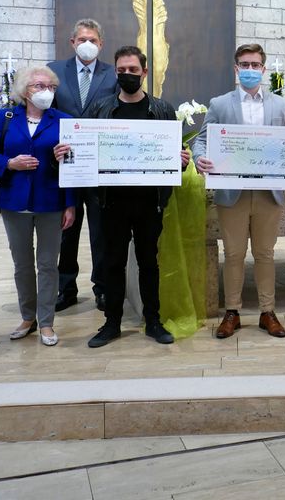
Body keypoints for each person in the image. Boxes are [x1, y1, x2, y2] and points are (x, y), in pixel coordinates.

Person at [83, 46, 190, 348]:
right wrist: (68, 153)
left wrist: (179, 160)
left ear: (144, 73)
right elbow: (85, 150)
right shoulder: (100, 109)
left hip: (149, 201)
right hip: (111, 201)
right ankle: (112, 323)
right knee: (113, 263)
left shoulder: (162, 109)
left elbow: (174, 156)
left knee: (149, 263)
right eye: (121, 71)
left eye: (133, 70)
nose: (127, 75)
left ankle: (152, 321)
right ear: (115, 72)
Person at [192, 44, 285, 339]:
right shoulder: (220, 103)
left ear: (263, 69)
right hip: (231, 191)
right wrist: (200, 158)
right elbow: (201, 140)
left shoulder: (280, 105)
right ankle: (232, 312)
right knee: (234, 253)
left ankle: (267, 311)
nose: (250, 69)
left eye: (255, 64)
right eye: (244, 64)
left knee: (265, 254)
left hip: (268, 191)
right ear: (236, 68)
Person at [0, 66, 76, 347]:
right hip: (14, 201)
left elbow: (75, 167)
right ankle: (27, 317)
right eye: (38, 85)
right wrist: (9, 164)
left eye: (50, 86)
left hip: (52, 202)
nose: (45, 91)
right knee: (22, 264)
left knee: (47, 265)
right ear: (24, 91)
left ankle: (46, 322)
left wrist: (70, 204)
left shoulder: (64, 120)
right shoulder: (6, 117)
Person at [48, 18, 117, 312]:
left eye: (93, 39)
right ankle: (66, 287)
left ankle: (102, 287)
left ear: (101, 44)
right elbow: (45, 113)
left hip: (99, 166)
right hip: (66, 165)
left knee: (101, 231)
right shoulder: (53, 71)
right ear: (72, 43)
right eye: (81, 39)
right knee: (66, 229)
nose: (87, 44)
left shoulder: (113, 75)